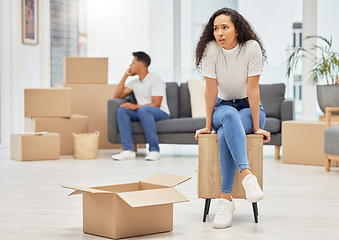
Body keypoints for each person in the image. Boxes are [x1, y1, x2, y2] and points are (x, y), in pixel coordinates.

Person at [194, 8, 271, 229]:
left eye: (225, 27)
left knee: (228, 130)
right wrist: (208, 125)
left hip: (249, 108)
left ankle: (225, 199)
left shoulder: (251, 48)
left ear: (237, 29)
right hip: (223, 107)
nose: (219, 33)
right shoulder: (210, 50)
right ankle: (248, 176)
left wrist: (256, 126)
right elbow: (210, 90)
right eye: (215, 28)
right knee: (228, 116)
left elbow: (253, 90)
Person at [112, 51, 170, 161]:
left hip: (160, 113)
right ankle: (128, 150)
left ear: (140, 65)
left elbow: (156, 104)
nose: (130, 66)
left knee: (144, 110)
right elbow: (117, 96)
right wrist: (125, 76)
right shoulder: (134, 83)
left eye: (132, 63)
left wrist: (135, 107)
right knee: (122, 110)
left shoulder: (155, 80)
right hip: (142, 112)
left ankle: (154, 150)